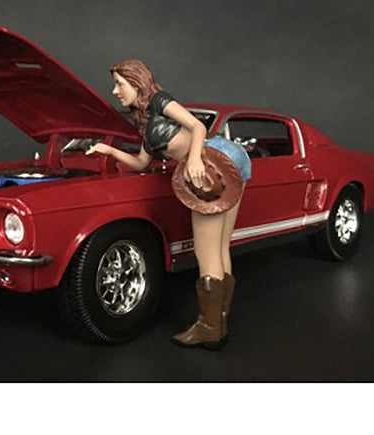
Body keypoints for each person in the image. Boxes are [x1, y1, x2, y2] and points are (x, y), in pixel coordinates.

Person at [86, 59, 252, 350]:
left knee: (205, 251)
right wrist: (109, 150)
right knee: (220, 248)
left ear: (137, 82)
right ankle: (219, 322)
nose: (115, 91)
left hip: (212, 161)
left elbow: (197, 127)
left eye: (120, 84)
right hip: (225, 161)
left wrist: (195, 159)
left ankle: (210, 328)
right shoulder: (145, 122)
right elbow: (141, 162)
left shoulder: (159, 100)